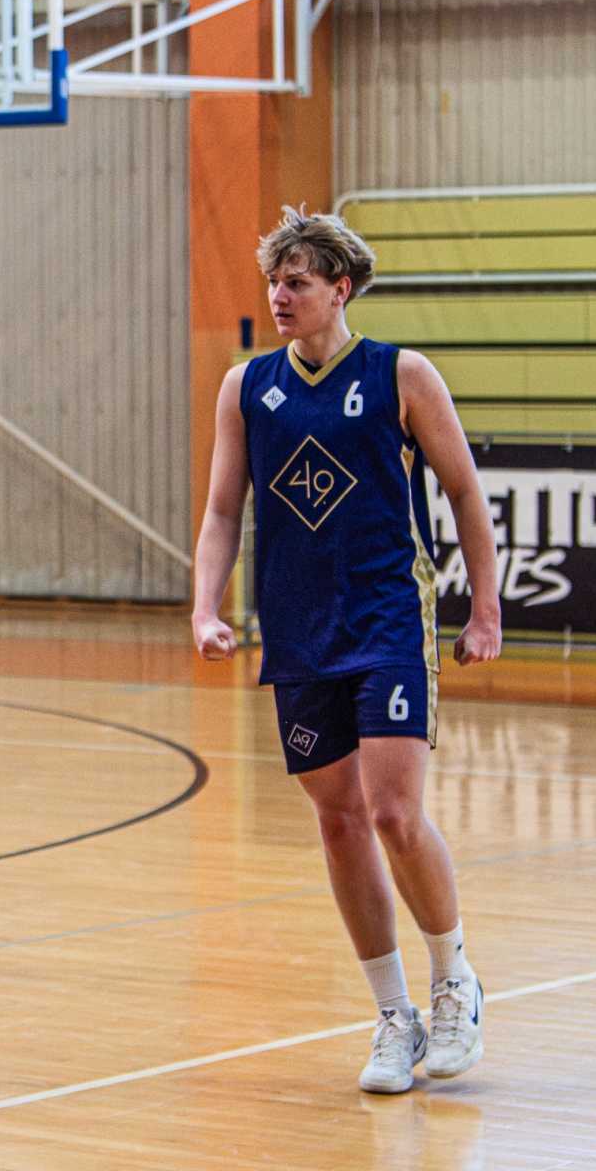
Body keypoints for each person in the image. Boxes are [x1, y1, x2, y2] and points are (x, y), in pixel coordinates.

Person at [188, 209, 501, 1096]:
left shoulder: (402, 374)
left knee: (394, 812)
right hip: (298, 629)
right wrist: (205, 607)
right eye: (273, 282)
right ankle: (394, 1015)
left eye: (297, 282)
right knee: (338, 822)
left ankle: (455, 981)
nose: (279, 297)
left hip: (389, 617)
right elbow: (223, 510)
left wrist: (485, 608)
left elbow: (464, 492)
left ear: (341, 288)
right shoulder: (245, 386)